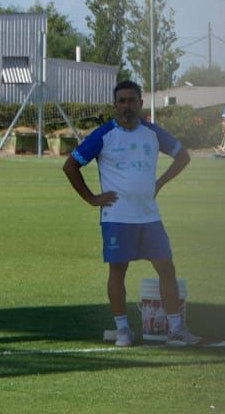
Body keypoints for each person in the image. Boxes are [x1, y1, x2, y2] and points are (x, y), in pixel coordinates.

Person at [63, 79, 199, 348]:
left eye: (131, 100)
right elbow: (70, 166)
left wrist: (159, 183)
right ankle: (123, 329)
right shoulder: (103, 135)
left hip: (149, 216)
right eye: (121, 101)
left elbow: (183, 156)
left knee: (166, 268)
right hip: (117, 217)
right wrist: (91, 198)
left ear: (141, 103)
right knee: (118, 271)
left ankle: (175, 329)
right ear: (114, 106)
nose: (127, 106)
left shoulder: (153, 133)